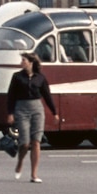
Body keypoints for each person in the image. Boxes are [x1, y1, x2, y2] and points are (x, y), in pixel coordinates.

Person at [7, 52, 59, 183]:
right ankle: (20, 161)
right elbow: (11, 96)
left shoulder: (40, 78)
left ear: (30, 62)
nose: (21, 62)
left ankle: (34, 175)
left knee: (36, 141)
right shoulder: (17, 77)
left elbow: (47, 96)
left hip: (37, 109)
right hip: (21, 109)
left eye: (23, 60)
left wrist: (54, 112)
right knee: (24, 142)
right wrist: (10, 113)